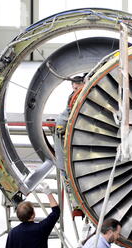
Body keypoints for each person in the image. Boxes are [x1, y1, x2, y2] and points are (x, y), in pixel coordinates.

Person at [54, 75, 85, 218]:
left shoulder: (82, 97)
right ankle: (77, 204)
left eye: (77, 87)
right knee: (67, 173)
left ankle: (79, 203)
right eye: (74, 88)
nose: (76, 90)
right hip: (69, 150)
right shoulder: (72, 98)